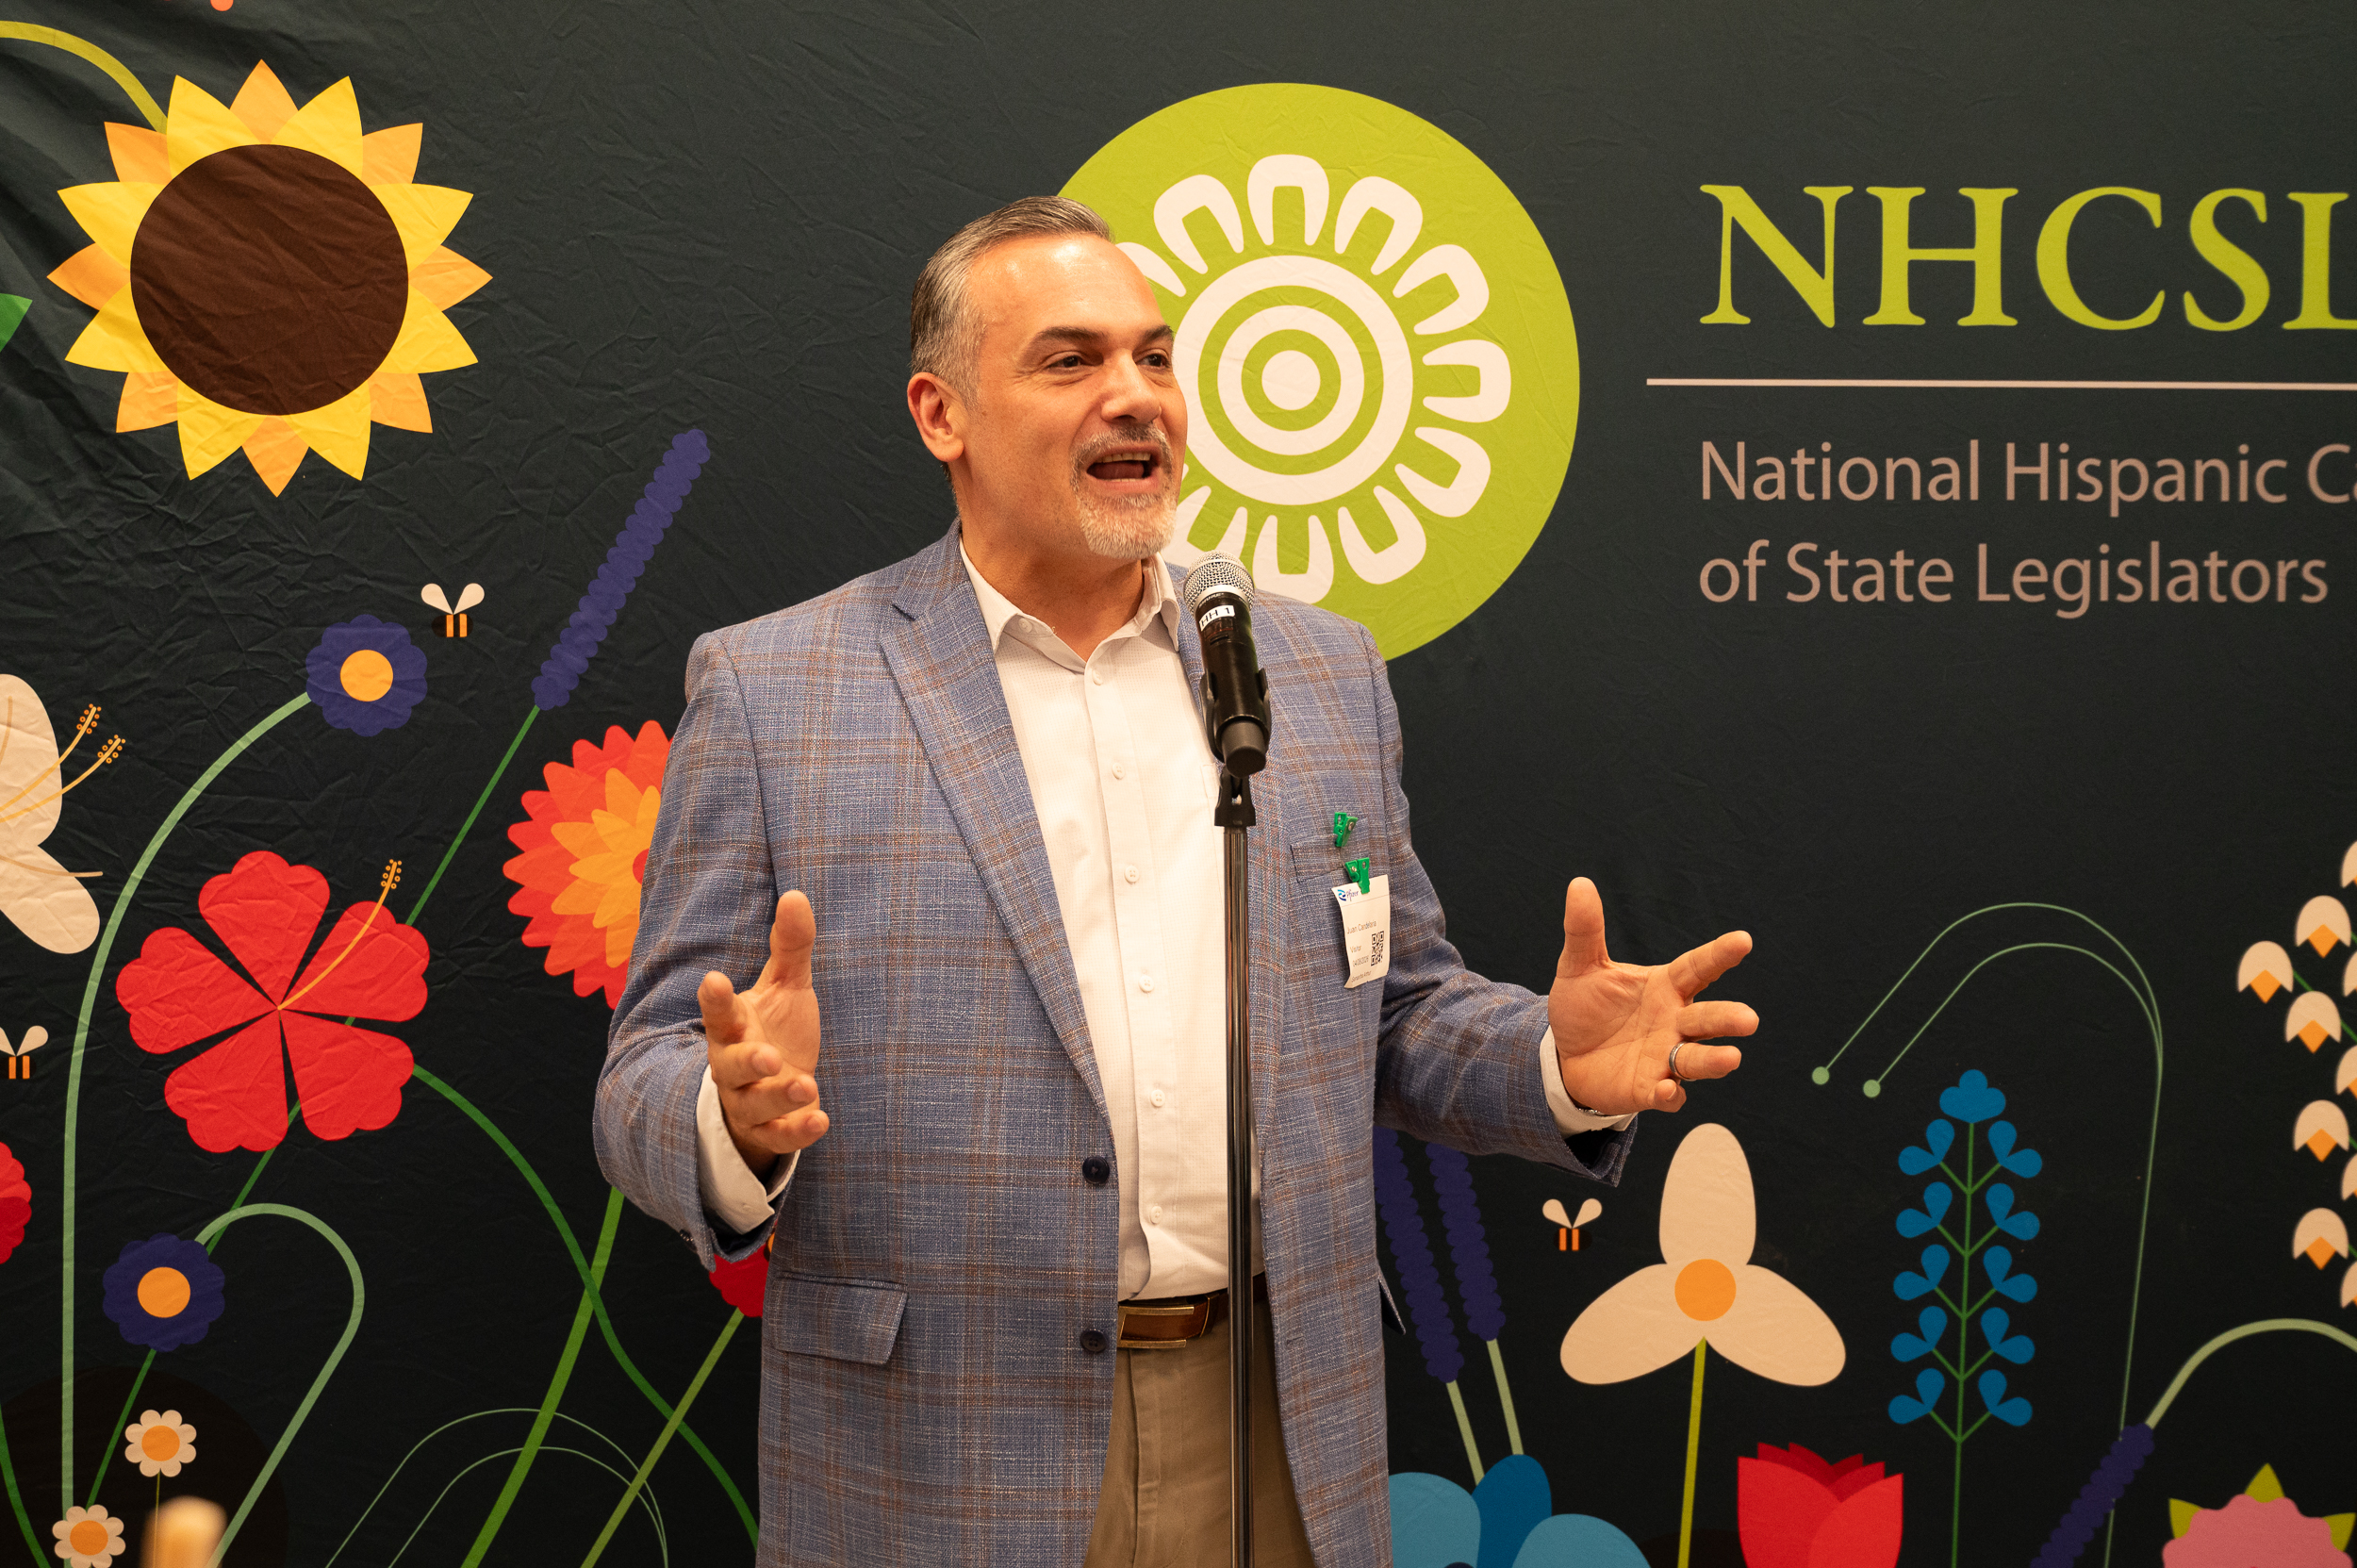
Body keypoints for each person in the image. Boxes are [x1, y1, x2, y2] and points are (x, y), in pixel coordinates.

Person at [594, 196, 1756, 1568]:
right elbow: (641, 1076)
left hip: (1274, 1423)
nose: (1135, 395)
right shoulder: (778, 687)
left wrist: (1551, 1065)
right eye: (1071, 360)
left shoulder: (1311, 670)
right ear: (941, 414)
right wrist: (734, 1120)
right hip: (938, 1445)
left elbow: (1394, 1011)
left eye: (1155, 356)